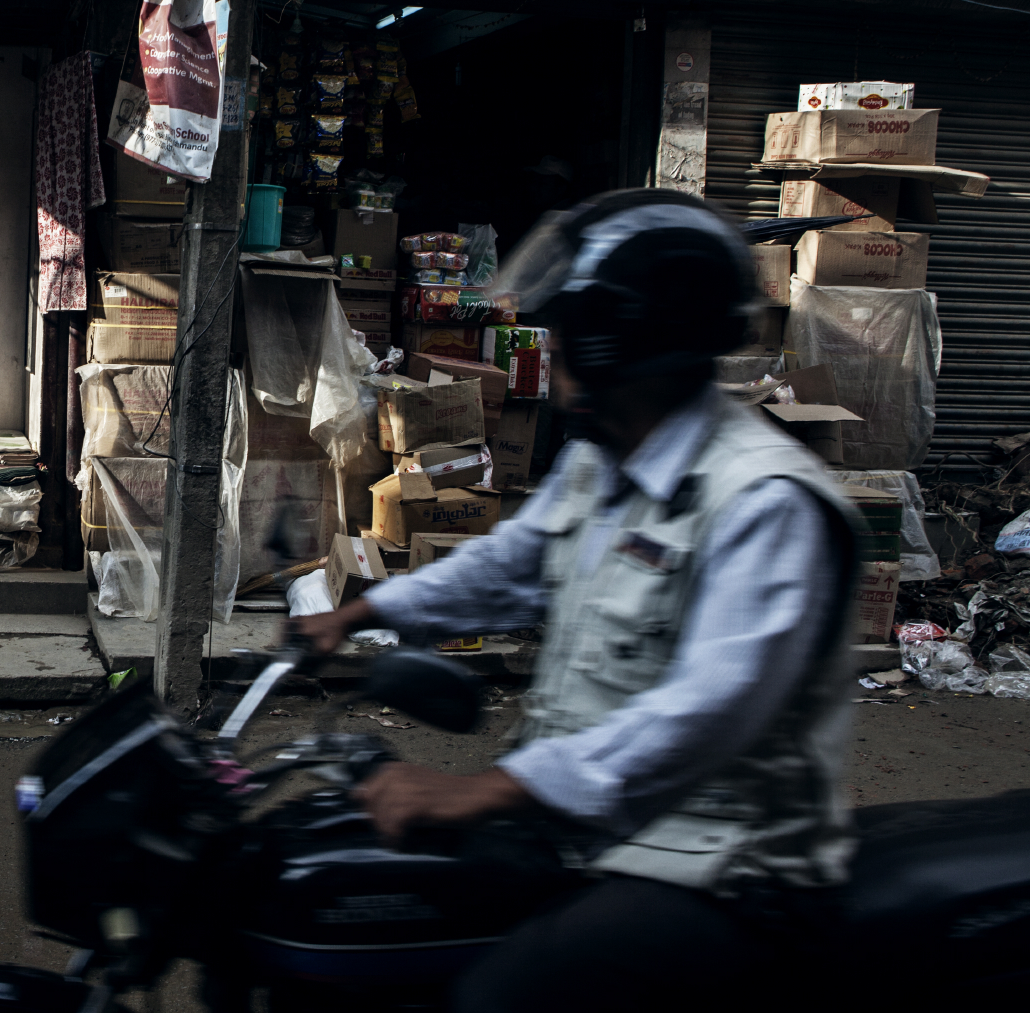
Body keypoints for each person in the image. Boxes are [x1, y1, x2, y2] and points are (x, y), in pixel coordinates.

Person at [294, 190, 860, 1013]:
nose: (550, 350)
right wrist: (366, 612)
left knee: (498, 997)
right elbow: (511, 564)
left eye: (566, 329)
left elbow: (705, 707)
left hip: (719, 868)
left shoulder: (765, 498)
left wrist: (489, 788)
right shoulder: (605, 462)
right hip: (593, 835)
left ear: (621, 338)